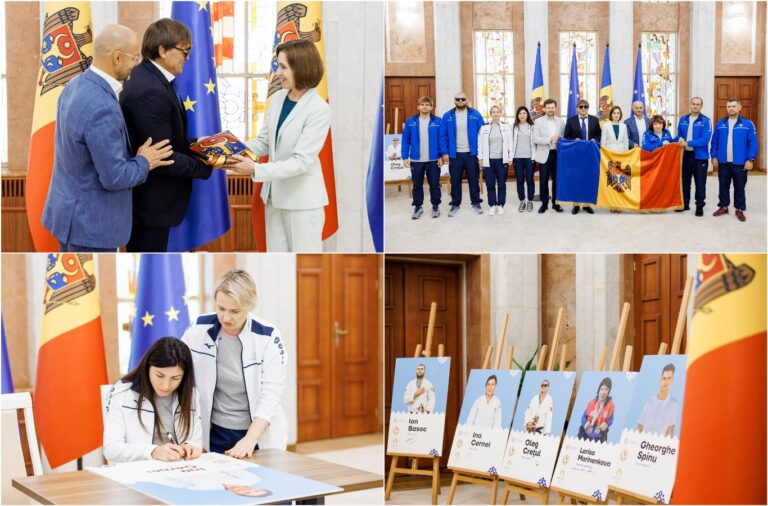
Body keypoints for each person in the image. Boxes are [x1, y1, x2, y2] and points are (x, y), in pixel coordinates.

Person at [42, 25, 173, 252]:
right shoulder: (102, 106)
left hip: (68, 216)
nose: (137, 63)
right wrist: (144, 160)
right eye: (134, 57)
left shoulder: (75, 85)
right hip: (91, 228)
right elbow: (115, 177)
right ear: (117, 58)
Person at [224, 39, 331, 251]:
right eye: (278, 66)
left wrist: (255, 169)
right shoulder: (279, 98)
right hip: (273, 198)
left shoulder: (319, 109)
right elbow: (264, 142)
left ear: (301, 67)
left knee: (303, 262)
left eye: (283, 67)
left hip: (303, 203)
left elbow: (301, 162)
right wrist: (227, 148)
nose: (278, 73)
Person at [120, 18, 215, 252]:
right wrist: (206, 165)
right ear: (163, 50)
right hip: (150, 206)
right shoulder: (151, 90)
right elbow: (162, 156)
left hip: (151, 203)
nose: (188, 57)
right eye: (184, 51)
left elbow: (169, 138)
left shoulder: (152, 79)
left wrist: (203, 146)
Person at [181, 269, 288, 457]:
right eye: (221, 308)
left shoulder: (268, 336)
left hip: (256, 433)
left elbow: (271, 393)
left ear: (250, 306)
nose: (226, 318)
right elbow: (179, 371)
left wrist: (250, 439)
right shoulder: (198, 328)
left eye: (235, 311)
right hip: (213, 431)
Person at [103, 337, 203, 463]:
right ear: (147, 367)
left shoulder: (191, 393)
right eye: (159, 375)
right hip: (136, 471)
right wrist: (153, 452)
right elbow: (111, 449)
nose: (166, 385)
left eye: (175, 378)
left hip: (179, 469)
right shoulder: (122, 393)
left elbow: (197, 440)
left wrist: (191, 447)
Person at [710, 98, 758, 222]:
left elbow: (753, 143)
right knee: (723, 185)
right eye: (729, 106)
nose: (731, 108)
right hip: (723, 162)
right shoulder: (720, 123)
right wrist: (714, 156)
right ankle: (724, 206)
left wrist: (750, 159)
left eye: (733, 106)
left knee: (740, 186)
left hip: (740, 163)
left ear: (739, 107)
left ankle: (739, 209)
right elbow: (714, 141)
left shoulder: (748, 124)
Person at [439, 91, 485, 217]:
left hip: (472, 154)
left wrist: (482, 153)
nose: (460, 101)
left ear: (467, 100)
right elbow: (442, 135)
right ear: (454, 100)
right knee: (455, 180)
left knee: (473, 179)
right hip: (455, 154)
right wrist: (444, 152)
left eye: (463, 99)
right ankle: (455, 204)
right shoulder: (447, 115)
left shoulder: (475, 114)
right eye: (457, 99)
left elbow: (483, 134)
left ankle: (476, 202)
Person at [401, 96, 443, 219]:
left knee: (434, 184)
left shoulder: (438, 121)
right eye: (422, 104)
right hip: (416, 160)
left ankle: (435, 206)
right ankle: (418, 207)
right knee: (417, 185)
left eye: (427, 104)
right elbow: (405, 140)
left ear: (431, 107)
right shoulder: (410, 121)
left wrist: (441, 156)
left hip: (433, 160)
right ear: (418, 106)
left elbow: (441, 140)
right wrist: (404, 156)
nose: (424, 106)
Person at [675, 97, 712, 216]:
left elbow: (705, 140)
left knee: (700, 183)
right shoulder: (683, 119)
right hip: (685, 156)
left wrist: (688, 143)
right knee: (685, 182)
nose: (695, 106)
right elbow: (679, 134)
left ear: (701, 106)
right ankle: (685, 204)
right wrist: (679, 138)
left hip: (700, 156)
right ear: (690, 105)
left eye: (698, 104)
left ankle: (699, 205)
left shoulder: (706, 121)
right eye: (693, 104)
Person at [564, 99, 601, 214]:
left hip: (590, 155)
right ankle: (576, 204)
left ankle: (586, 204)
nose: (583, 109)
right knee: (576, 179)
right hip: (576, 155)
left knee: (588, 179)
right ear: (577, 108)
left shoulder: (594, 120)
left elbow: (599, 133)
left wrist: (596, 139)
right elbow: (566, 137)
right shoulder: (571, 121)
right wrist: (574, 140)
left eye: (586, 106)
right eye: (581, 107)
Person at [477, 105, 513, 215]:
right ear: (490, 114)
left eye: (498, 112)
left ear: (500, 113)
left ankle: (500, 204)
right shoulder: (484, 128)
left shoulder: (506, 127)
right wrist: (480, 158)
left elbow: (510, 143)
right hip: (489, 161)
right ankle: (492, 205)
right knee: (490, 184)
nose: (496, 114)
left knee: (502, 183)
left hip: (502, 160)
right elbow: (480, 144)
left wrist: (510, 157)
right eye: (493, 112)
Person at [533, 99, 565, 213]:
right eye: (548, 107)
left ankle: (556, 204)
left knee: (557, 180)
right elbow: (535, 138)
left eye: (552, 107)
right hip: (544, 154)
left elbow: (564, 138)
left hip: (557, 154)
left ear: (555, 108)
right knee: (543, 180)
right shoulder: (538, 121)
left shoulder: (561, 122)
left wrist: (559, 139)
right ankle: (544, 204)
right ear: (544, 109)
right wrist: (549, 139)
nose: (550, 109)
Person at [637, 363, 679, 437]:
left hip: (658, 446)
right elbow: (640, 427)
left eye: (669, 378)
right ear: (660, 379)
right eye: (664, 378)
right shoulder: (649, 402)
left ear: (672, 380)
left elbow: (670, 431)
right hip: (643, 443)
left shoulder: (673, 403)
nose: (666, 382)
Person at [510, 106, 536, 212]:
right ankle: (522, 201)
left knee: (530, 180)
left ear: (527, 115)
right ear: (517, 115)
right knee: (520, 180)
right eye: (520, 113)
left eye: (524, 113)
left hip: (529, 157)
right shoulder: (513, 127)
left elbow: (535, 142)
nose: (522, 115)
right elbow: (510, 143)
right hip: (517, 158)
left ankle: (530, 201)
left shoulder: (533, 126)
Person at [577, 377, 615, 442]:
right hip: (585, 434)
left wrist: (606, 424)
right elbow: (584, 415)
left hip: (599, 436)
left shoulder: (610, 406)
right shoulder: (592, 403)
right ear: (598, 390)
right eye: (602, 389)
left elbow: (610, 418)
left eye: (606, 389)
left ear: (608, 392)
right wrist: (585, 422)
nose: (603, 392)